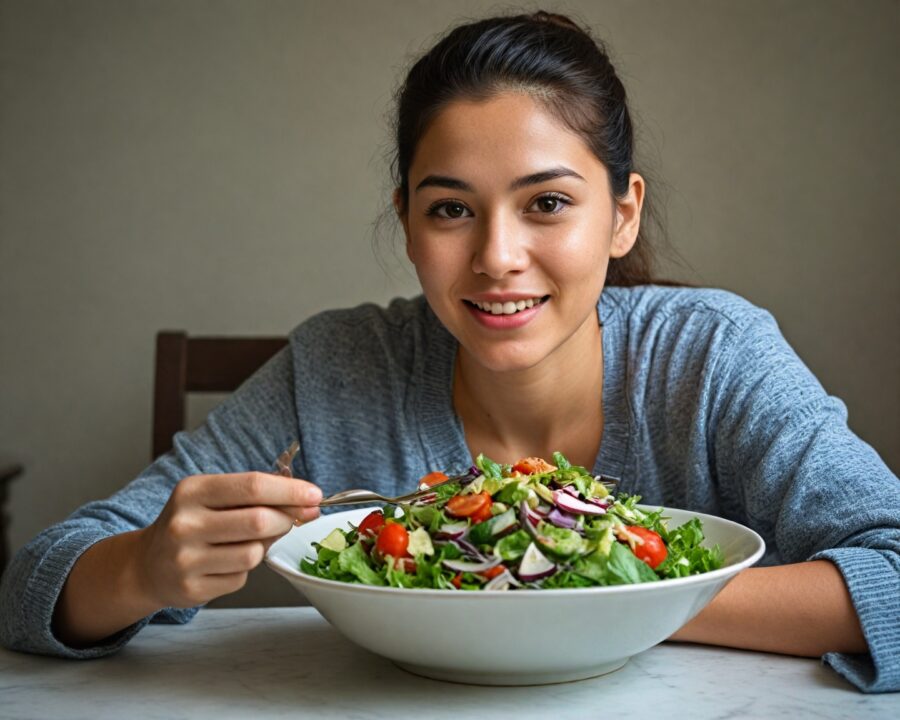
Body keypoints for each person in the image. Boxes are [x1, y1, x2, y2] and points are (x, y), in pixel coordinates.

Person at [1, 9, 897, 693]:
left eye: (547, 203)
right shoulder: (341, 367)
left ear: (621, 215)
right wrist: (146, 566)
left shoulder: (711, 356)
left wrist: (594, 602)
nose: (497, 255)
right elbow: (32, 586)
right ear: (408, 223)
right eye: (451, 208)